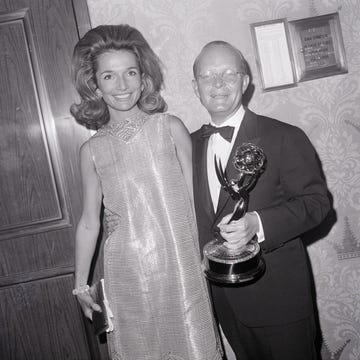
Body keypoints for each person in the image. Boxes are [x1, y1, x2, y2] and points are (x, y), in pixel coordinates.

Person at [70, 25, 223, 360]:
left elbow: (200, 201)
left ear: (144, 78)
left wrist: (205, 255)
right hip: (127, 273)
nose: (122, 85)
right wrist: (81, 285)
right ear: (94, 84)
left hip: (182, 266)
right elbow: (88, 222)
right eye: (109, 76)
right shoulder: (91, 150)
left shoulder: (170, 127)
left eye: (130, 73)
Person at [191, 40, 331, 360]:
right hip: (223, 300)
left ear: (245, 81)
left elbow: (317, 202)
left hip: (279, 299)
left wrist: (258, 223)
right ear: (195, 86)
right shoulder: (187, 147)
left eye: (229, 73)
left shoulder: (284, 136)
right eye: (208, 75)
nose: (219, 83)